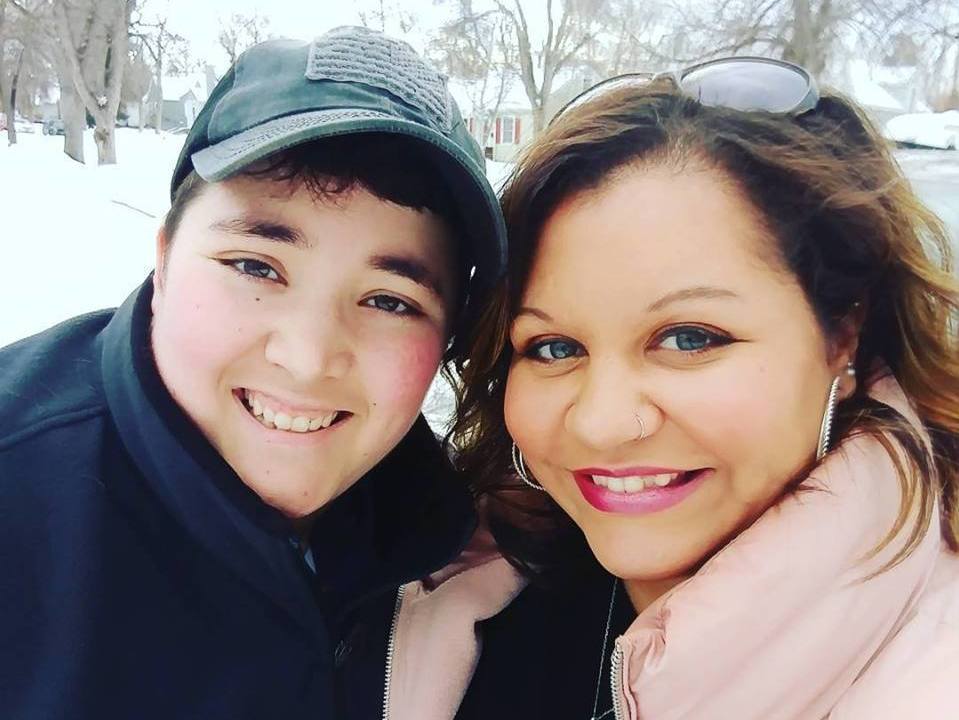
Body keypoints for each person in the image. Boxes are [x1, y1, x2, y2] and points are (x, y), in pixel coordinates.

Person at [381, 58, 959, 720]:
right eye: (554, 348)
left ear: (842, 338)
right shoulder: (458, 592)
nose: (600, 422)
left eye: (688, 338)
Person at [0, 27, 505, 720]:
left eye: (390, 301)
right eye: (255, 267)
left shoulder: (463, 560)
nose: (307, 356)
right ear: (164, 259)